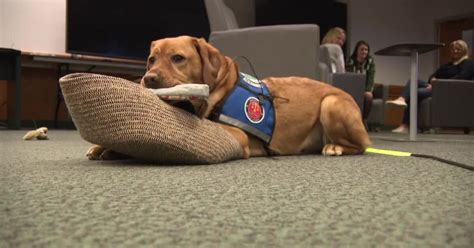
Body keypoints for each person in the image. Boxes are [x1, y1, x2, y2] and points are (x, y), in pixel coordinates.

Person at [386, 39, 474, 133]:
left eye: (458, 49)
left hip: (450, 91)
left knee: (415, 92)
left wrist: (438, 83)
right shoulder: (447, 65)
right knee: (414, 80)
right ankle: (401, 99)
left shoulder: (468, 63)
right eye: (453, 49)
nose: (455, 51)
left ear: (464, 50)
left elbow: (461, 78)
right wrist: (432, 81)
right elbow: (433, 75)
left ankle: (406, 125)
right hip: (437, 87)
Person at [346, 40, 376, 122]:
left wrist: (367, 90)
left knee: (369, 96)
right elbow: (349, 77)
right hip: (352, 88)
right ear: (357, 50)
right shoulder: (350, 61)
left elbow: (371, 77)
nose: (364, 52)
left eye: (366, 50)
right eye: (362, 49)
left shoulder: (370, 62)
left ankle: (363, 120)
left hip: (365, 88)